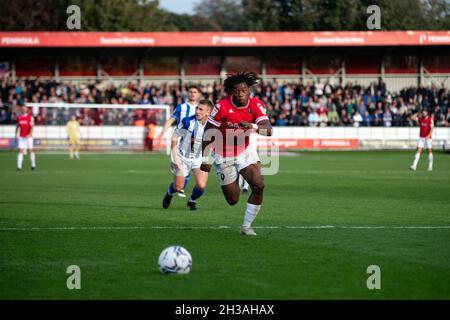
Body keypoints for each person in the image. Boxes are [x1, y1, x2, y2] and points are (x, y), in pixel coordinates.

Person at [201, 71, 273, 236]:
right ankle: (238, 178)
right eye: (237, 90)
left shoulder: (256, 105)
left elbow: (268, 130)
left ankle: (246, 227)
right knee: (233, 200)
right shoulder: (221, 106)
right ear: (231, 91)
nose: (240, 94)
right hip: (223, 154)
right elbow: (208, 132)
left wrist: (253, 126)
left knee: (259, 184)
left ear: (249, 90)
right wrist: (205, 158)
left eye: (244, 90)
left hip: (245, 151)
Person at [162, 100, 213, 211]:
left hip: (200, 157)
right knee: (178, 187)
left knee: (201, 186)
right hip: (182, 156)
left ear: (208, 112)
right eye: (197, 108)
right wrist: (175, 158)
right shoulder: (187, 121)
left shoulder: (213, 125)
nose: (197, 111)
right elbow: (175, 138)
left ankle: (192, 201)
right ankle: (169, 193)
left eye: (200, 109)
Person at [158, 85, 203, 198]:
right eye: (191, 91)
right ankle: (178, 188)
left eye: (195, 92)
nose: (192, 93)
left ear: (199, 94)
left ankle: (185, 193)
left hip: (198, 145)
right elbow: (171, 120)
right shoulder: (182, 107)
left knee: (198, 176)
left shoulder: (203, 109)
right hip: (181, 143)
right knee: (181, 168)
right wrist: (163, 131)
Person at [15, 103, 36, 171]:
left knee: (30, 151)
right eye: (22, 108)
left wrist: (29, 134)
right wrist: (15, 135)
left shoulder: (30, 117)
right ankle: (19, 167)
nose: (23, 109)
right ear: (21, 109)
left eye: (25, 108)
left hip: (28, 137)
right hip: (21, 136)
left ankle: (33, 165)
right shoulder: (19, 117)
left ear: (27, 109)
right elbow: (17, 127)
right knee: (20, 151)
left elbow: (32, 127)